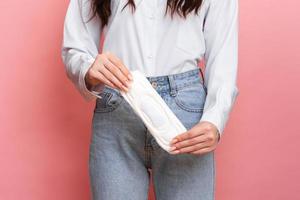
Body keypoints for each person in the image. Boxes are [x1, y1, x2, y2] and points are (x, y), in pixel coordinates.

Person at [61, 0, 239, 199]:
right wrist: (88, 67)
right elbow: (76, 46)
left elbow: (223, 55)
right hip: (118, 105)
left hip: (184, 119)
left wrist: (215, 119)